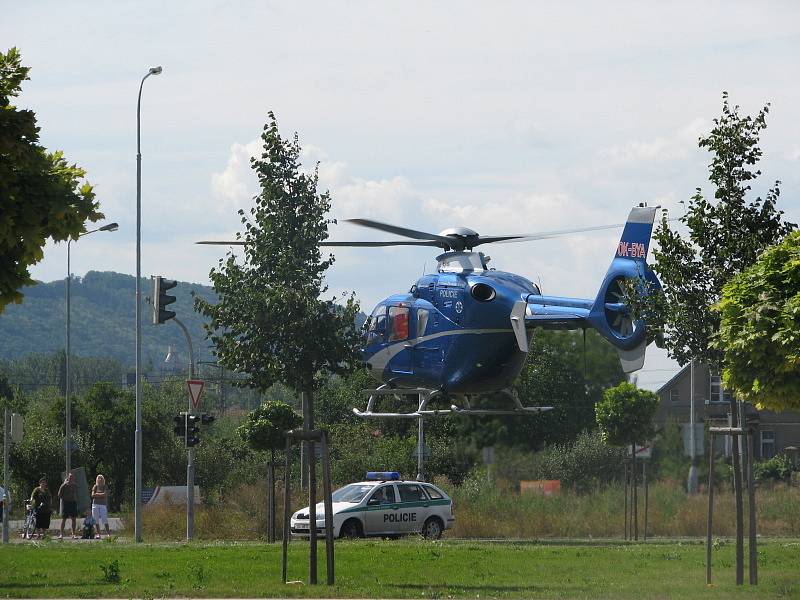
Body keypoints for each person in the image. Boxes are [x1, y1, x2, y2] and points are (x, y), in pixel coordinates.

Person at [58, 472, 78, 539]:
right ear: (68, 478)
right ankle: (61, 534)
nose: (71, 478)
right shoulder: (64, 485)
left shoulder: (75, 485)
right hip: (65, 503)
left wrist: (75, 499)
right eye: (70, 477)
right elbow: (59, 494)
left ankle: (73, 534)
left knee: (74, 519)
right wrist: (65, 498)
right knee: (64, 519)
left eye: (72, 477)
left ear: (74, 478)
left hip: (73, 503)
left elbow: (77, 494)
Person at [91, 474, 110, 538]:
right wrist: (100, 495)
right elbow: (93, 495)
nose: (100, 479)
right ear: (97, 479)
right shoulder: (95, 486)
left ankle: (108, 534)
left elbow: (105, 494)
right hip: (95, 504)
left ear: (103, 479)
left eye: (101, 478)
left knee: (104, 519)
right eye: (99, 478)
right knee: (96, 520)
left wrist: (97, 494)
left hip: (103, 505)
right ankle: (98, 534)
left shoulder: (105, 486)